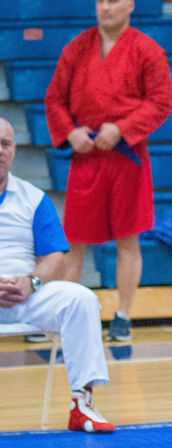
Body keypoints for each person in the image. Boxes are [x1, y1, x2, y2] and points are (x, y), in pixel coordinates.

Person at [44, 0, 172, 343]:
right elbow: (54, 100)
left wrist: (122, 128)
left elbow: (161, 103)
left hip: (126, 157)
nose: (105, 7)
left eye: (113, 0)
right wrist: (69, 133)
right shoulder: (77, 48)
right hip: (86, 157)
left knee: (127, 240)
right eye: (100, 0)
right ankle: (64, 314)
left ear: (130, 5)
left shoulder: (148, 51)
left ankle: (122, 316)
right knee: (73, 240)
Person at [0, 118, 113, 432]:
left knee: (81, 299)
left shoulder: (33, 198)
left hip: (24, 293)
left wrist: (31, 282)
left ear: (14, 150)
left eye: (5, 144)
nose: (0, 151)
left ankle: (82, 405)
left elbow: (56, 257)